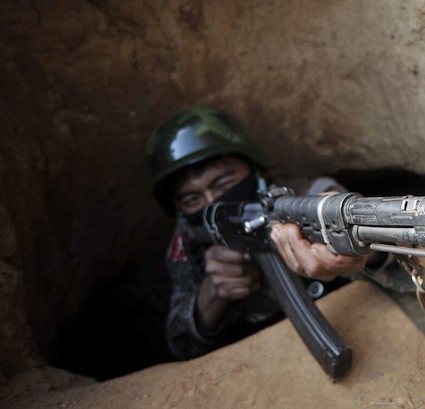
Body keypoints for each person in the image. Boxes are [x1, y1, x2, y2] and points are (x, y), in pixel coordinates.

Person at [147, 107, 367, 360]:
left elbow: (387, 258)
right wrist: (213, 296)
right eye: (192, 199)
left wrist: (357, 251)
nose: (212, 201)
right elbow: (181, 345)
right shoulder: (187, 241)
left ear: (257, 171)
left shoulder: (306, 196)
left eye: (224, 183)